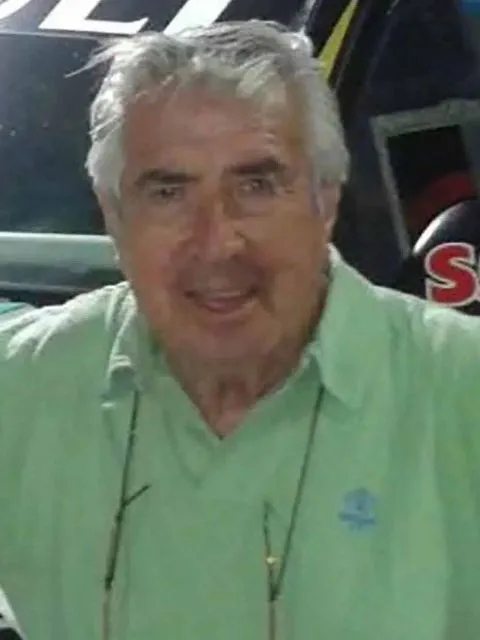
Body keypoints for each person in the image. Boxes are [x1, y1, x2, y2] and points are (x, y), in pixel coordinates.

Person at [0, 20, 479, 640]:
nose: (217, 242)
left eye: (257, 185)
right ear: (114, 215)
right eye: (168, 193)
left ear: (327, 200)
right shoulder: (24, 386)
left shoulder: (459, 393)